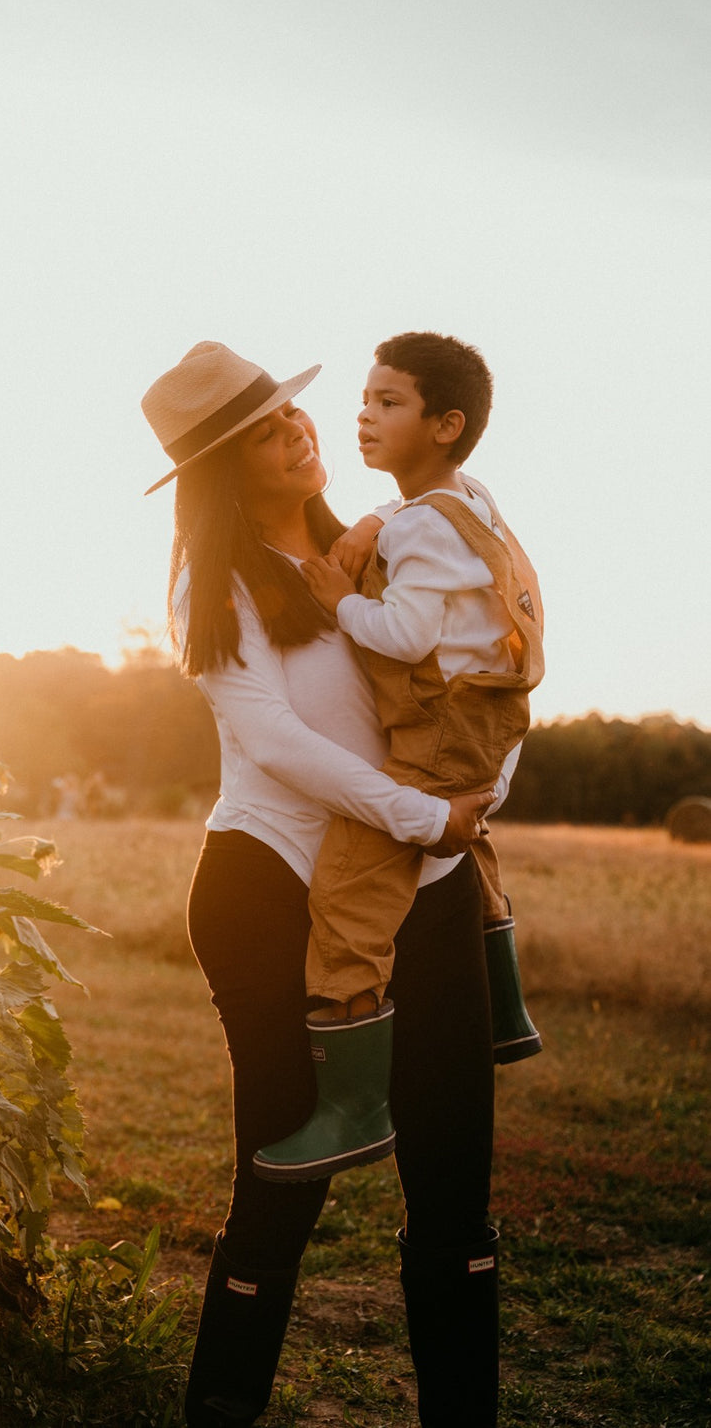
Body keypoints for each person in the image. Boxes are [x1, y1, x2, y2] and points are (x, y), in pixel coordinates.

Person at [141, 340, 507, 1428]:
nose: (296, 429)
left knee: (452, 1188)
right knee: (284, 1182)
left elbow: (473, 676)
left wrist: (469, 799)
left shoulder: (393, 549)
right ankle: (221, 1407)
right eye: (262, 428)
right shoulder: (210, 584)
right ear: (218, 467)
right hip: (269, 889)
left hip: (415, 879)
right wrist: (417, 814)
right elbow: (273, 740)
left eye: (290, 411)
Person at [254, 331, 543, 1185]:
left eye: (389, 402)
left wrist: (344, 602)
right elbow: (436, 533)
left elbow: (406, 632)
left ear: (445, 424)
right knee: (474, 851)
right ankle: (505, 1008)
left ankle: (352, 1108)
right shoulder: (472, 502)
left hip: (439, 732)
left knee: (348, 896)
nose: (364, 415)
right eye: (366, 398)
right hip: (492, 723)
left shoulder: (418, 533)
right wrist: (384, 514)